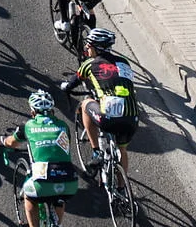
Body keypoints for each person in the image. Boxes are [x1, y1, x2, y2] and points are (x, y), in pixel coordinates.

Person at [60, 28, 140, 174]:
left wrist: (65, 87)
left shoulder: (89, 64)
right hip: (132, 117)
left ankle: (96, 151)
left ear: (97, 48)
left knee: (85, 104)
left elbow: (72, 83)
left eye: (89, 45)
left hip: (108, 117)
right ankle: (122, 186)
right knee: (122, 150)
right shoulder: (124, 62)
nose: (86, 47)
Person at [0, 90, 80, 227]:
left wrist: (2, 141)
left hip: (44, 180)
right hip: (70, 181)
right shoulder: (64, 126)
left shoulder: (28, 126)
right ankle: (57, 223)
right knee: (59, 199)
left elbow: (11, 143)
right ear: (52, 110)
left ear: (33, 112)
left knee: (29, 197)